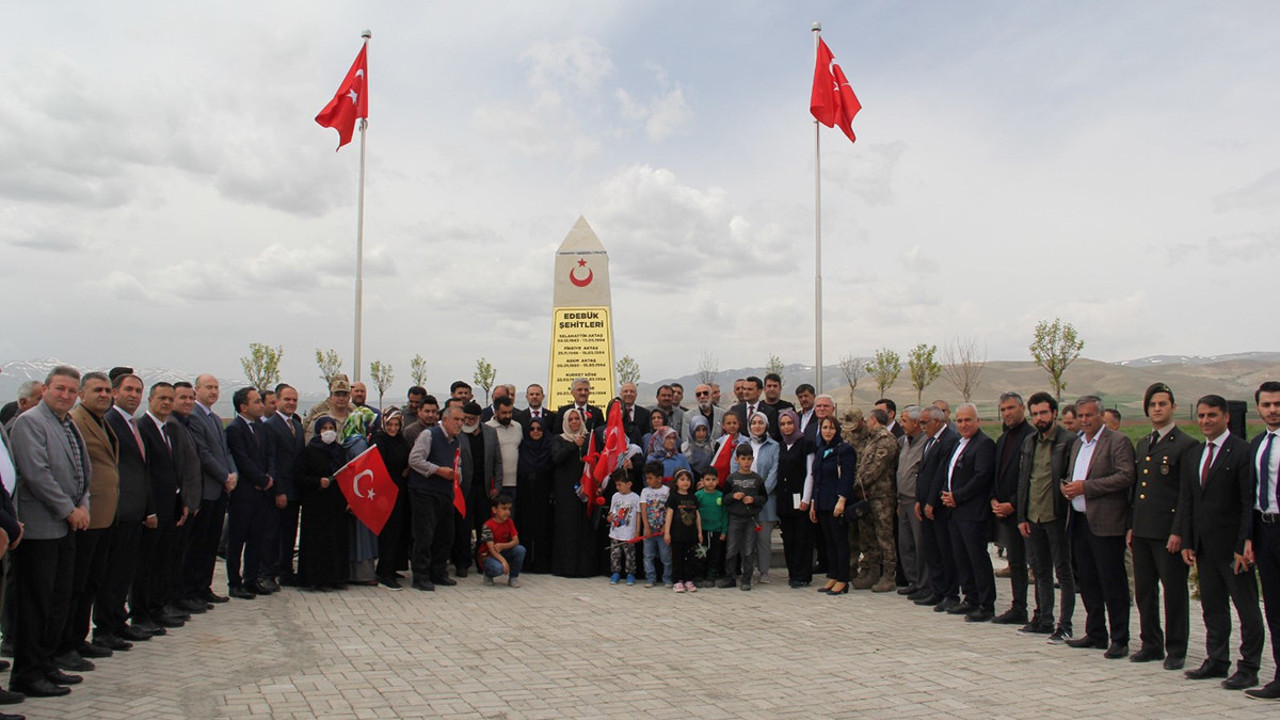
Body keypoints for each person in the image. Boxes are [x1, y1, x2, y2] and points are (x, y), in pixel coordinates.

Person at [7, 365, 90, 699]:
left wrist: (83, 504)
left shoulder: (69, 424)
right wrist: (68, 510)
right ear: (45, 389)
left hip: (67, 527)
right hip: (42, 528)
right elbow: (36, 473)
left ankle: (45, 663)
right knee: (35, 604)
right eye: (60, 389)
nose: (66, 396)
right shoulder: (30, 423)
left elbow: (83, 470)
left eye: (72, 391)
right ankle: (26, 673)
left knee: (59, 600)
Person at [1178, 395, 1264, 690]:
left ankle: (1249, 666)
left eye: (1211, 415)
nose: (1205, 421)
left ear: (1226, 417)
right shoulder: (1196, 453)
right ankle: (1216, 660)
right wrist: (1188, 539)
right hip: (1204, 545)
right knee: (1212, 606)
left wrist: (1244, 544)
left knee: (1247, 608)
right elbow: (1188, 500)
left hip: (1233, 547)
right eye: (1201, 415)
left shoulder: (1242, 451)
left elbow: (1246, 502)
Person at [1062, 395, 1136, 659]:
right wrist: (1070, 487)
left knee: (1112, 582)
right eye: (1080, 416)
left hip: (1106, 523)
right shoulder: (1078, 444)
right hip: (1080, 520)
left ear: (1101, 416)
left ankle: (1120, 638)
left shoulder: (1117, 441)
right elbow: (1077, 476)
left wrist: (1087, 488)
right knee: (1089, 580)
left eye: (1089, 415)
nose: (1084, 420)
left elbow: (1126, 476)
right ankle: (1096, 632)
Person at [1129, 383, 1196, 668]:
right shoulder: (1144, 443)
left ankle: (1177, 648)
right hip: (1143, 529)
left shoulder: (1186, 444)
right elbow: (1137, 490)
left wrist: (1179, 531)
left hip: (1168, 532)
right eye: (1153, 405)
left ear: (1173, 407)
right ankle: (1151, 643)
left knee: (1174, 592)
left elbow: (1186, 494)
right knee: (1145, 590)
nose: (1157, 409)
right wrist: (1132, 526)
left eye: (1162, 404)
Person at [62, 372, 128, 662]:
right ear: (81, 394)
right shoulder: (77, 421)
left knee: (91, 582)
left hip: (105, 515)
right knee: (76, 585)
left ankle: (79, 639)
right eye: (97, 390)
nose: (103, 394)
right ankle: (65, 645)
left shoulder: (101, 422)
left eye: (106, 390)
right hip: (87, 515)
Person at [1016, 392, 1077, 642]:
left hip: (1057, 515)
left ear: (1054, 412)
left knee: (1063, 572)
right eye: (1035, 414)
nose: (1039, 418)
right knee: (1040, 570)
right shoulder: (1030, 442)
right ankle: (1043, 618)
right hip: (1034, 515)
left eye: (1043, 412)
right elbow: (1024, 481)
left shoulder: (1068, 441)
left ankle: (1065, 624)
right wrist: (1022, 516)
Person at [102, 373, 158, 638]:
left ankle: (117, 622)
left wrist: (147, 507)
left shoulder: (131, 424)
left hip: (135, 510)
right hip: (119, 511)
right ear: (115, 393)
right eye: (128, 390)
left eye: (138, 391)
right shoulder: (110, 421)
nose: (133, 395)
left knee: (124, 572)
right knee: (112, 574)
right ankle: (106, 627)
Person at [181, 374, 235, 608]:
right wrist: (224, 476)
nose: (213, 391)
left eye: (216, 387)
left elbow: (225, 451)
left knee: (211, 544)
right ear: (197, 390)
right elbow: (203, 454)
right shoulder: (193, 416)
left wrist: (232, 474)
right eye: (208, 387)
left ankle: (204, 587)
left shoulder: (213, 417)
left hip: (221, 489)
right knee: (197, 545)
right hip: (205, 490)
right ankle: (190, 590)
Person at [940, 403, 997, 622]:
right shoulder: (959, 444)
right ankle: (970, 598)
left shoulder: (984, 444)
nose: (963, 425)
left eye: (968, 420)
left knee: (977, 559)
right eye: (960, 420)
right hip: (955, 511)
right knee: (961, 558)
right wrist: (946, 493)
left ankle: (986, 604)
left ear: (977, 421)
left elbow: (981, 478)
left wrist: (958, 496)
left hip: (973, 512)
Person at [406, 404, 466, 591]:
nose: (459, 424)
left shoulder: (456, 441)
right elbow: (414, 460)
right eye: (456, 419)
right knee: (424, 535)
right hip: (424, 491)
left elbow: (458, 464)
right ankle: (420, 576)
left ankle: (439, 572)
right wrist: (438, 470)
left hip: (445, 492)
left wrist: (457, 475)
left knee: (445, 535)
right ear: (445, 419)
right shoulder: (429, 435)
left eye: (461, 420)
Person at [224, 387, 276, 599]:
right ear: (243, 406)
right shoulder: (235, 429)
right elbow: (241, 459)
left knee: (257, 538)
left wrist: (269, 478)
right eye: (256, 402)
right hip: (244, 493)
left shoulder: (261, 427)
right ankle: (234, 583)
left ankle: (251, 579)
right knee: (237, 540)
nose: (261, 405)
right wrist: (260, 479)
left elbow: (270, 455)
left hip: (262, 493)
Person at [1246, 380, 1280, 700]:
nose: (1272, 410)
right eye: (1267, 405)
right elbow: (1250, 496)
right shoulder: (1257, 444)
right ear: (1258, 407)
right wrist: (1249, 538)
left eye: (1277, 404)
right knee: (1273, 607)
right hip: (1265, 532)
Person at [991, 392, 1036, 625]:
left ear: (1023, 408)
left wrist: (1014, 504)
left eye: (1011, 408)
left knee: (1036, 564)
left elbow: (1030, 478)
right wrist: (994, 500)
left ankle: (1042, 613)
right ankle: (1019, 607)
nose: (1007, 413)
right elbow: (996, 474)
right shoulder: (1003, 439)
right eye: (1003, 409)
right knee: (1015, 562)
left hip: (1025, 512)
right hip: (1004, 511)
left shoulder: (1031, 437)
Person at [913, 406, 960, 610]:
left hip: (938, 507)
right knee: (931, 549)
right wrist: (918, 500)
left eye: (925, 423)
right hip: (924, 504)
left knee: (944, 551)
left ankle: (949, 593)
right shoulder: (930, 440)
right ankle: (936, 589)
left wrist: (931, 501)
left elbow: (941, 475)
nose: (921, 427)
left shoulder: (948, 441)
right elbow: (922, 473)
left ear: (937, 422)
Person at [296, 417, 350, 591]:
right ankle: (317, 579)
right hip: (316, 503)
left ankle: (336, 577)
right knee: (318, 543)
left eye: (331, 427)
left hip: (336, 503)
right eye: (324, 428)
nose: (328, 431)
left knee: (336, 540)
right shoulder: (310, 451)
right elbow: (300, 477)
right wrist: (317, 481)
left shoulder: (339, 450)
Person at [850, 408, 899, 593]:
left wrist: (856, 484)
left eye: (868, 419)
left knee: (884, 536)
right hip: (866, 496)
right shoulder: (871, 439)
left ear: (874, 420)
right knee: (867, 534)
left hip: (882, 497)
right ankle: (870, 570)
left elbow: (875, 469)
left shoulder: (886, 440)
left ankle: (888, 575)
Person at [263, 383, 305, 588]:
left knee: (289, 533)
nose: (291, 403)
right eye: (287, 399)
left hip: (295, 490)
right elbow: (271, 461)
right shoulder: (270, 426)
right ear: (277, 401)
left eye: (294, 400)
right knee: (273, 533)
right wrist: (278, 490)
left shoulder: (296, 425)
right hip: (279, 491)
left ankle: (286, 571)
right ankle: (268, 573)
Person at [549, 409, 598, 578]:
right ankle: (566, 568)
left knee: (583, 527)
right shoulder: (560, 439)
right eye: (571, 419)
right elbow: (556, 458)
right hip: (565, 491)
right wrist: (573, 445)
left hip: (585, 489)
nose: (575, 422)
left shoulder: (589, 439)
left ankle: (584, 568)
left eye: (578, 419)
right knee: (567, 527)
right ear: (566, 422)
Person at [809, 416, 855, 596]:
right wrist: (814, 502)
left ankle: (843, 579)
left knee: (840, 542)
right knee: (829, 542)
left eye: (831, 428)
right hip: (822, 502)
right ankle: (834, 575)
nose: (828, 431)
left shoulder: (845, 450)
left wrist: (842, 500)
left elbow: (847, 476)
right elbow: (816, 478)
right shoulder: (822, 449)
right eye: (825, 427)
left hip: (836, 502)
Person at [457, 401, 501, 578]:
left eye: (471, 419)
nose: (467, 421)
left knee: (484, 527)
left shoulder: (490, 432)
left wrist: (497, 485)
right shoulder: (458, 432)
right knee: (463, 528)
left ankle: (482, 561)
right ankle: (462, 563)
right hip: (464, 489)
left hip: (484, 489)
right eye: (465, 418)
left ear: (479, 418)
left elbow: (497, 461)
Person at [775, 409, 816, 588]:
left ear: (796, 423)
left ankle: (803, 574)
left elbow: (810, 473)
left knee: (802, 538)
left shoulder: (806, 443)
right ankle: (793, 573)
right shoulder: (782, 445)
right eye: (783, 424)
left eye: (789, 423)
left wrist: (806, 499)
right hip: (784, 500)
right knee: (789, 538)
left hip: (800, 500)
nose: (786, 427)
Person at [373, 408, 411, 590]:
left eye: (396, 424)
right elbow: (378, 465)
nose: (393, 428)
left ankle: (391, 567)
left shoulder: (401, 439)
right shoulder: (379, 440)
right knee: (388, 533)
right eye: (389, 424)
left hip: (399, 489)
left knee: (397, 531)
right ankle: (384, 575)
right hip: (385, 492)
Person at [724, 444, 766, 591]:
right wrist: (733, 496)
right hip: (735, 518)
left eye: (749, 459)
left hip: (751, 519)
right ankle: (730, 577)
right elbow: (724, 498)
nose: (746, 462)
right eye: (743, 459)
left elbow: (764, 498)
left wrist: (753, 500)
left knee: (748, 550)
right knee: (731, 549)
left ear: (752, 459)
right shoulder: (731, 478)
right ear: (737, 460)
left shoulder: (757, 479)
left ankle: (746, 578)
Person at [515, 417, 554, 573]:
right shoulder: (523, 447)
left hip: (543, 494)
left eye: (539, 429)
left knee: (542, 528)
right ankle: (524, 563)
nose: (536, 431)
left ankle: (541, 563)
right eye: (532, 428)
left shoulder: (549, 447)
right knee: (525, 527)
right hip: (524, 493)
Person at [664, 469, 702, 593]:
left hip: (691, 534)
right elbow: (669, 515)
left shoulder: (693, 497)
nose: (685, 482)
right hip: (677, 535)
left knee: (690, 558)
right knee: (677, 558)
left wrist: (700, 532)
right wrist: (667, 532)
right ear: (676, 482)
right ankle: (677, 581)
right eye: (682, 479)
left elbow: (697, 515)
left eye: (688, 479)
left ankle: (688, 580)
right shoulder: (673, 498)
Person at [478, 494, 524, 587]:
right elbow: (491, 549)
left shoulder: (509, 522)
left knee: (520, 550)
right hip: (489, 555)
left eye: (509, 509)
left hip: (502, 551)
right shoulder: (488, 525)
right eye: (504, 508)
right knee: (498, 569)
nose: (507, 512)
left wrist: (504, 546)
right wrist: (503, 561)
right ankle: (488, 574)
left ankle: (513, 577)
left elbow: (516, 541)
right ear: (494, 510)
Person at [639, 462, 672, 588]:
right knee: (648, 555)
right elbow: (643, 510)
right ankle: (650, 578)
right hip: (649, 529)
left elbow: (669, 510)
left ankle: (667, 578)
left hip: (663, 529)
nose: (648, 481)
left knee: (666, 556)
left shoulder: (667, 491)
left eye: (650, 478)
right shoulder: (645, 492)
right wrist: (646, 527)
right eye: (646, 478)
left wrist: (665, 526)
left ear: (659, 478)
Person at [606, 473, 641, 585]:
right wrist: (610, 518)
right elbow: (611, 512)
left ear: (629, 484)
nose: (618, 487)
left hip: (629, 532)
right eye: (616, 485)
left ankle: (630, 574)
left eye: (620, 485)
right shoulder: (615, 496)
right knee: (615, 554)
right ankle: (615, 572)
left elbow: (638, 515)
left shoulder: (635, 497)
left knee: (630, 554)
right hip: (615, 532)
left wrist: (637, 532)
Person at [486, 396, 522, 502]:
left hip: (515, 483)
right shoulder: (487, 428)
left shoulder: (518, 427)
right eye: (504, 413)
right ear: (496, 412)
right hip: (495, 484)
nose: (508, 416)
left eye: (510, 412)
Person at [696, 472, 727, 587]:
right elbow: (695, 514)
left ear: (718, 481)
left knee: (715, 555)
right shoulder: (698, 495)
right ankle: (699, 576)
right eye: (707, 479)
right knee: (700, 554)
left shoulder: (720, 495)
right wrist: (697, 531)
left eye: (713, 479)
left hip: (716, 531)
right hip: (702, 531)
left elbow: (724, 514)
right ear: (702, 481)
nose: (710, 482)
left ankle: (711, 576)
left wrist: (724, 530)